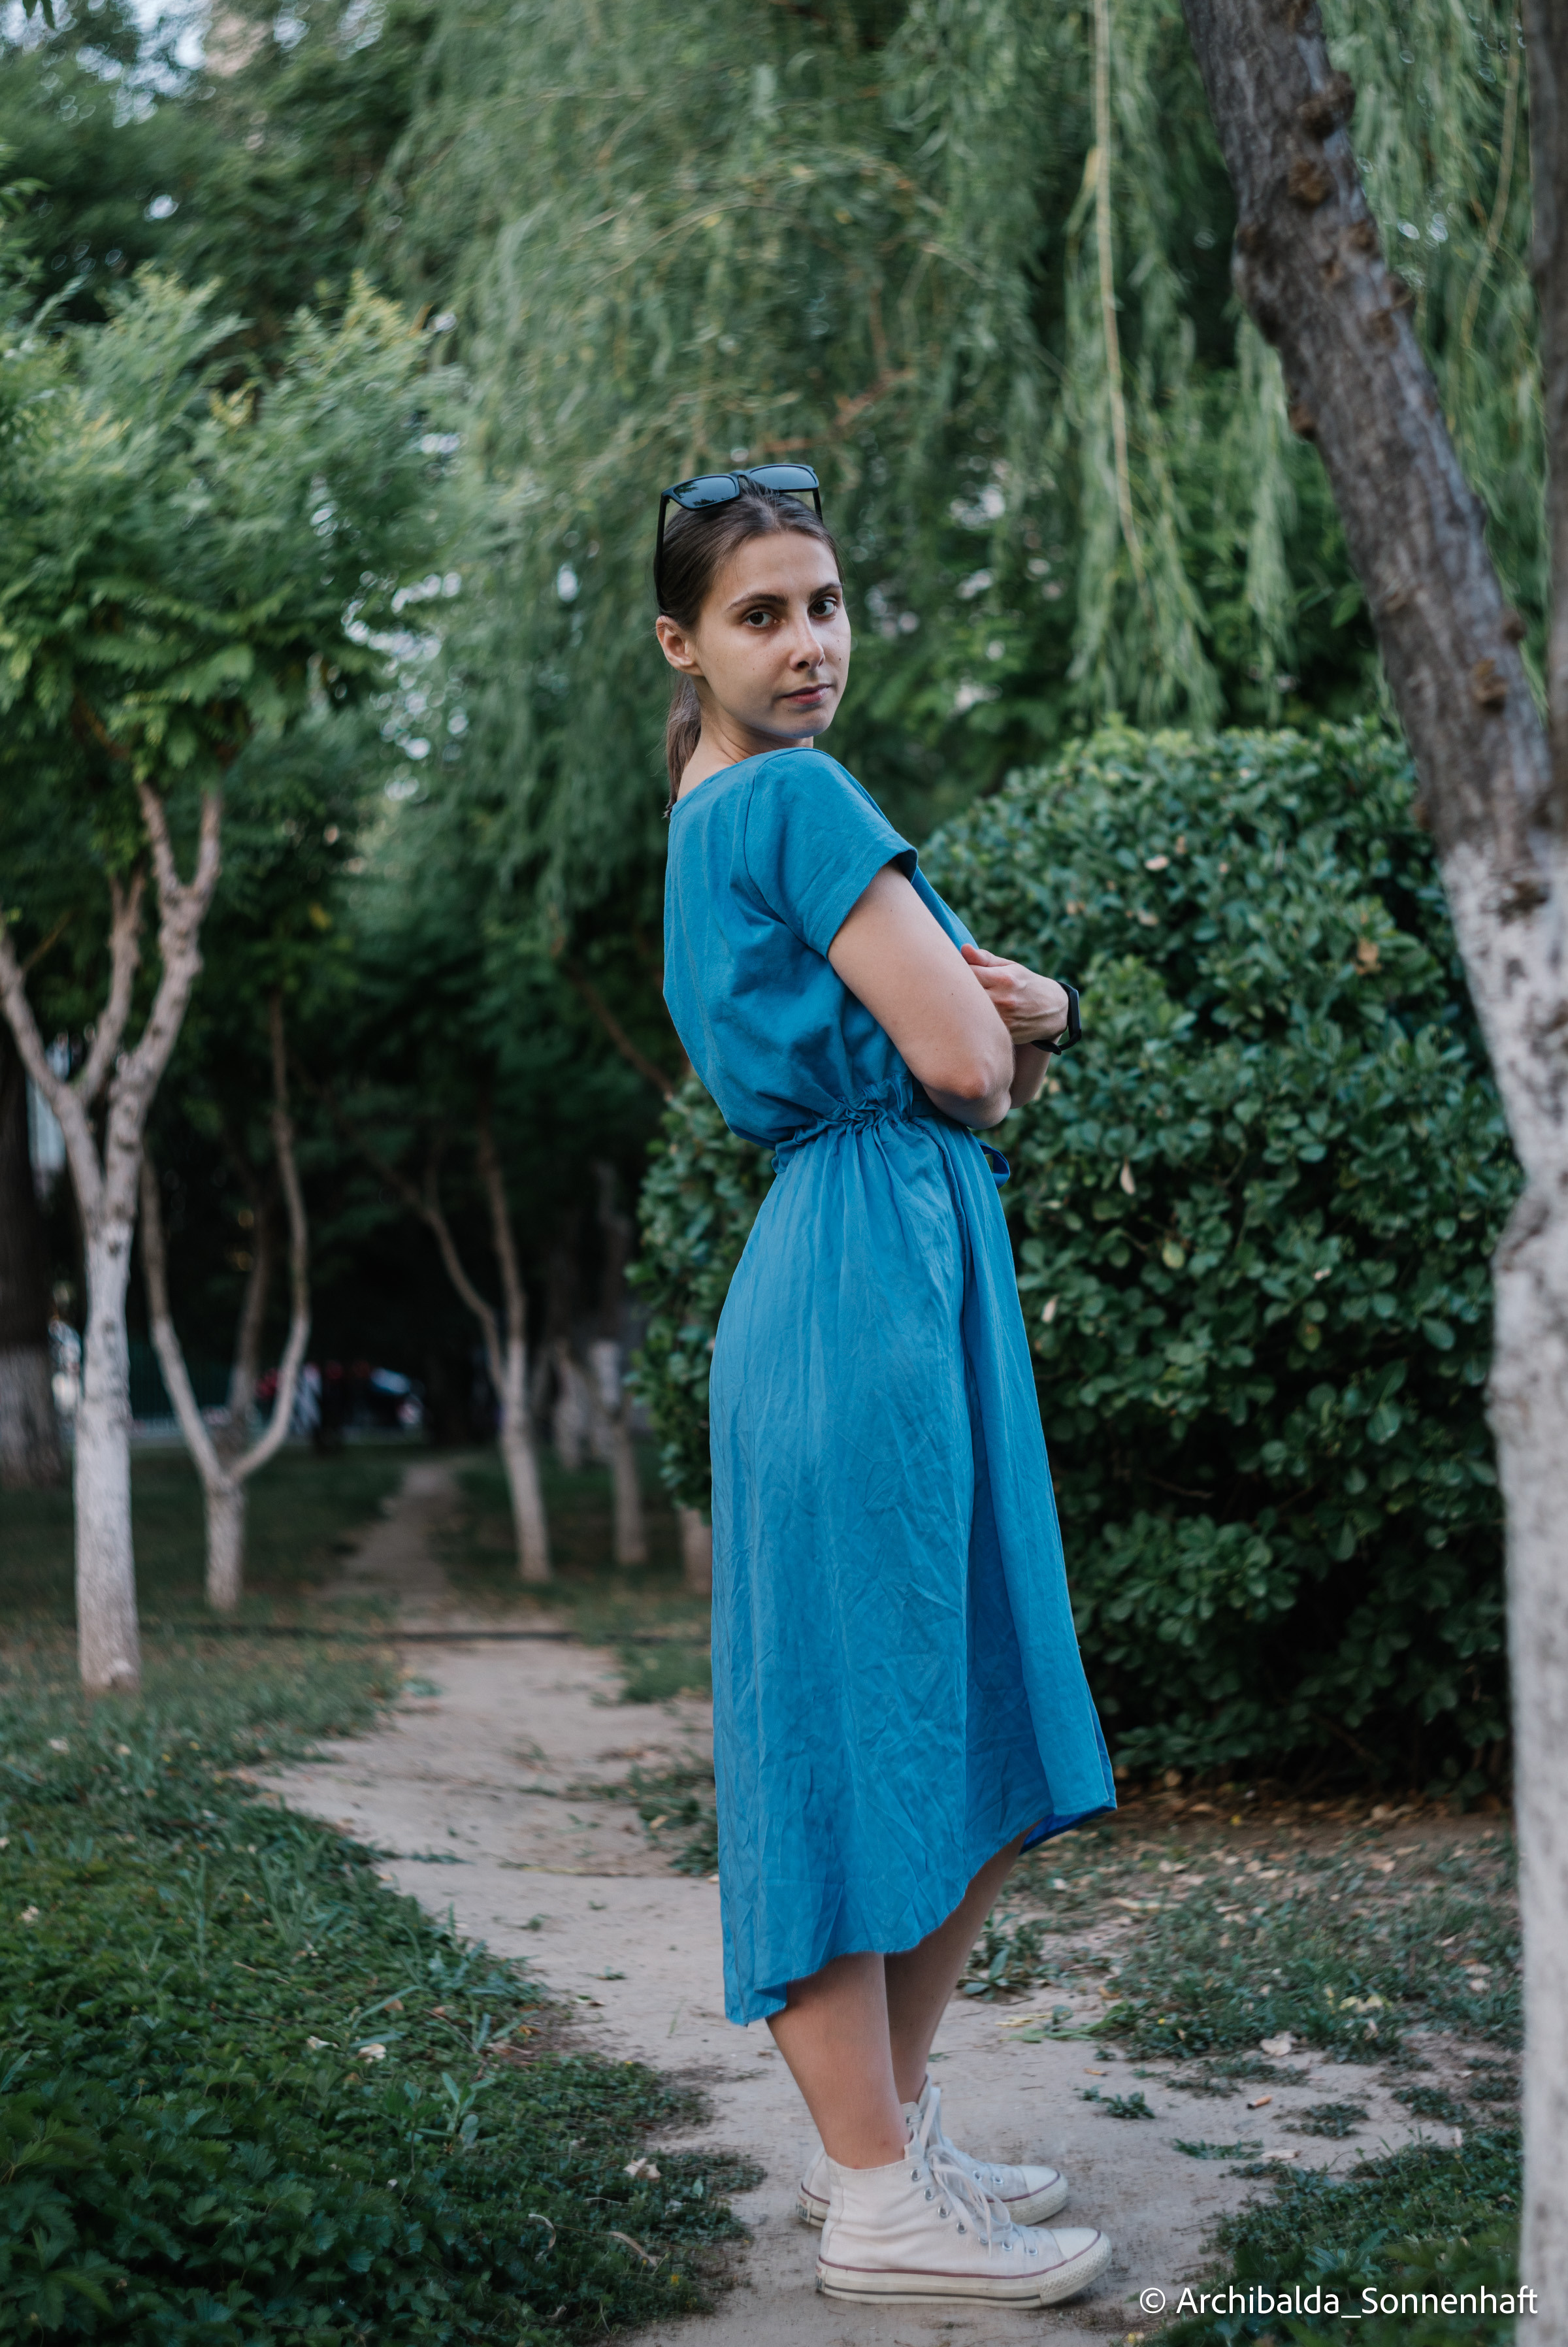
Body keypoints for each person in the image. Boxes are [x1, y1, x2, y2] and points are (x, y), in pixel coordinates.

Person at [657, 466, 1116, 2308]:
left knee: (953, 1700)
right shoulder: (794, 797)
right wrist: (1041, 1013)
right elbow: (967, 1065)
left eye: (827, 604)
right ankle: (873, 2200)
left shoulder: (712, 814)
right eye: (762, 614)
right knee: (867, 1727)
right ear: (682, 643)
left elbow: (957, 1071)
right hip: (863, 1287)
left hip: (862, 1267)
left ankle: (891, 2139)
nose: (809, 644)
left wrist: (1013, 1034)